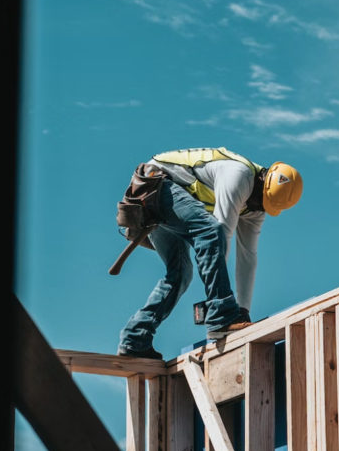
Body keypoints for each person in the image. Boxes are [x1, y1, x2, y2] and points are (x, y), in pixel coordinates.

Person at [117, 147, 302, 359]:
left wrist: (243, 311)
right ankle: (221, 314)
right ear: (262, 180)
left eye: (263, 205)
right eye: (259, 200)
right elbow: (220, 234)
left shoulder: (256, 208)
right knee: (210, 230)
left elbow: (247, 258)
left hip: (167, 199)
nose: (256, 207)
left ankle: (135, 338)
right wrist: (222, 310)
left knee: (180, 274)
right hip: (155, 185)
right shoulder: (238, 175)